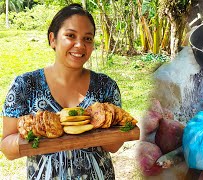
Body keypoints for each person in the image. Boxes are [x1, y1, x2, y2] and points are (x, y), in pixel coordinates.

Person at [0, 3, 120, 179]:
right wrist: (40, 134)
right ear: (53, 39)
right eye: (70, 35)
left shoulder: (106, 86)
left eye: (88, 38)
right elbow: (8, 150)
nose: (80, 45)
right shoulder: (24, 85)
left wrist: (94, 127)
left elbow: (114, 146)